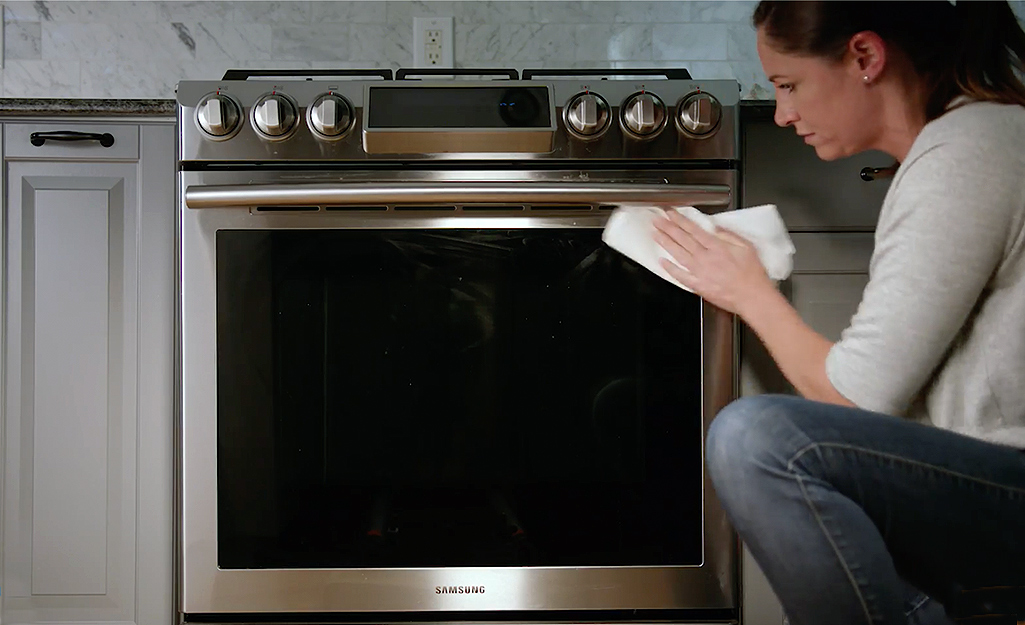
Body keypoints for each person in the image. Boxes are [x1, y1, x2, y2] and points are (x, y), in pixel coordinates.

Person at [652, 2, 1025, 624]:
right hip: (991, 491)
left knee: (758, 441)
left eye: (789, 85)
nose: (783, 113)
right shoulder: (970, 140)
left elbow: (860, 400)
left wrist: (750, 292)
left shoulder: (969, 150)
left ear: (865, 57)